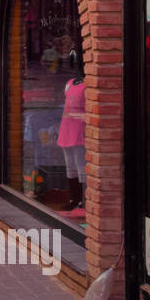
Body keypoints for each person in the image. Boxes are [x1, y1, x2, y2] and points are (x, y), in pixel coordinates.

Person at [57, 50, 87, 217]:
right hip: (66, 127)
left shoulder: (88, 84)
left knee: (80, 163)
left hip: (79, 128)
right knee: (70, 165)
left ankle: (84, 199)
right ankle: (74, 198)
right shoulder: (69, 83)